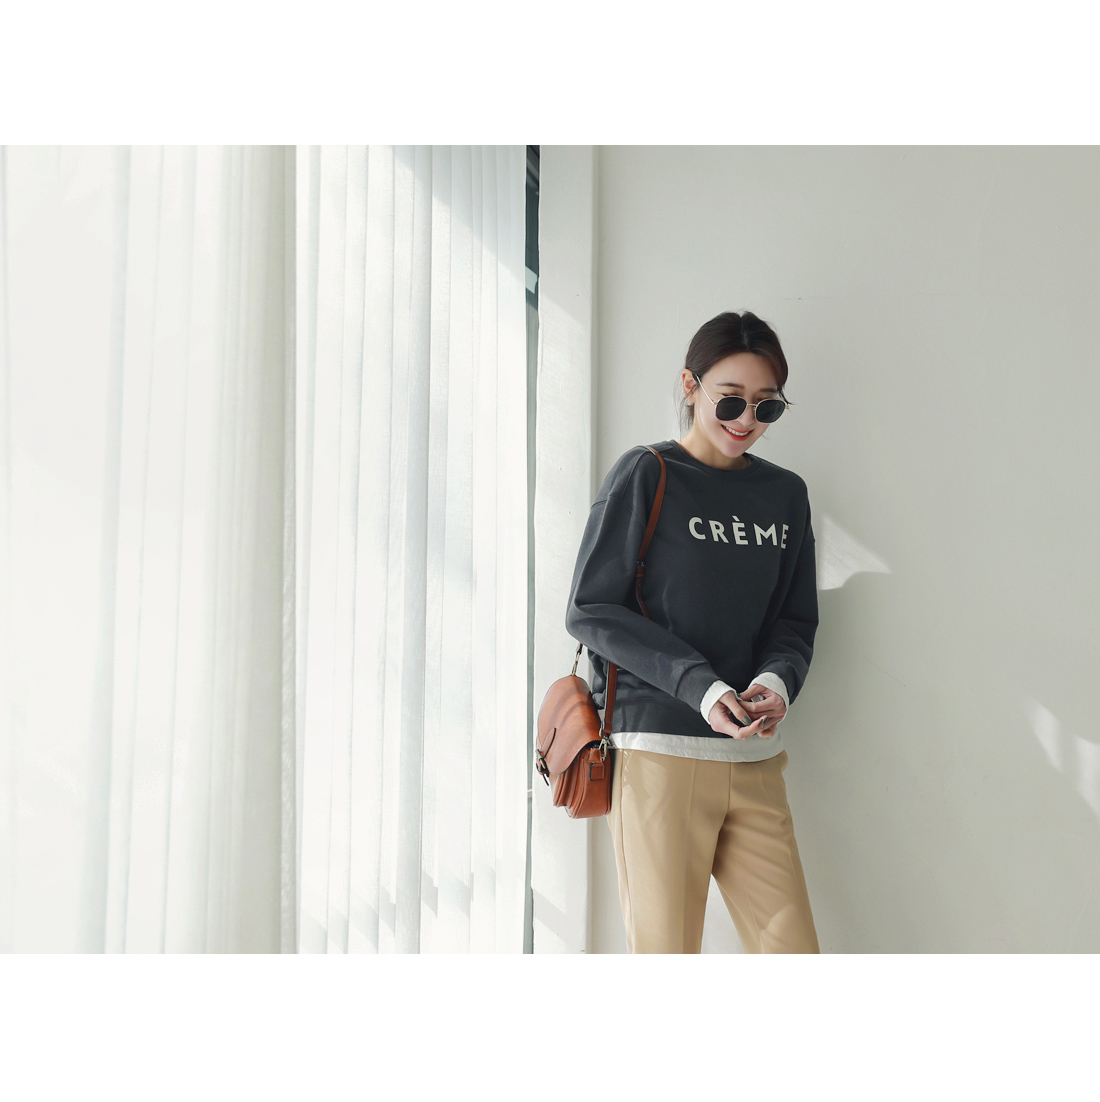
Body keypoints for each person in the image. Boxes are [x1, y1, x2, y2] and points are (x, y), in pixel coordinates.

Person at [565, 310, 820, 954]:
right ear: (690, 385)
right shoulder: (648, 473)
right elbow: (590, 608)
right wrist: (701, 686)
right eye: (730, 399)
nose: (746, 420)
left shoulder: (785, 495)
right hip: (660, 756)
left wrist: (776, 683)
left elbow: (794, 619)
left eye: (767, 406)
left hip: (754, 760)